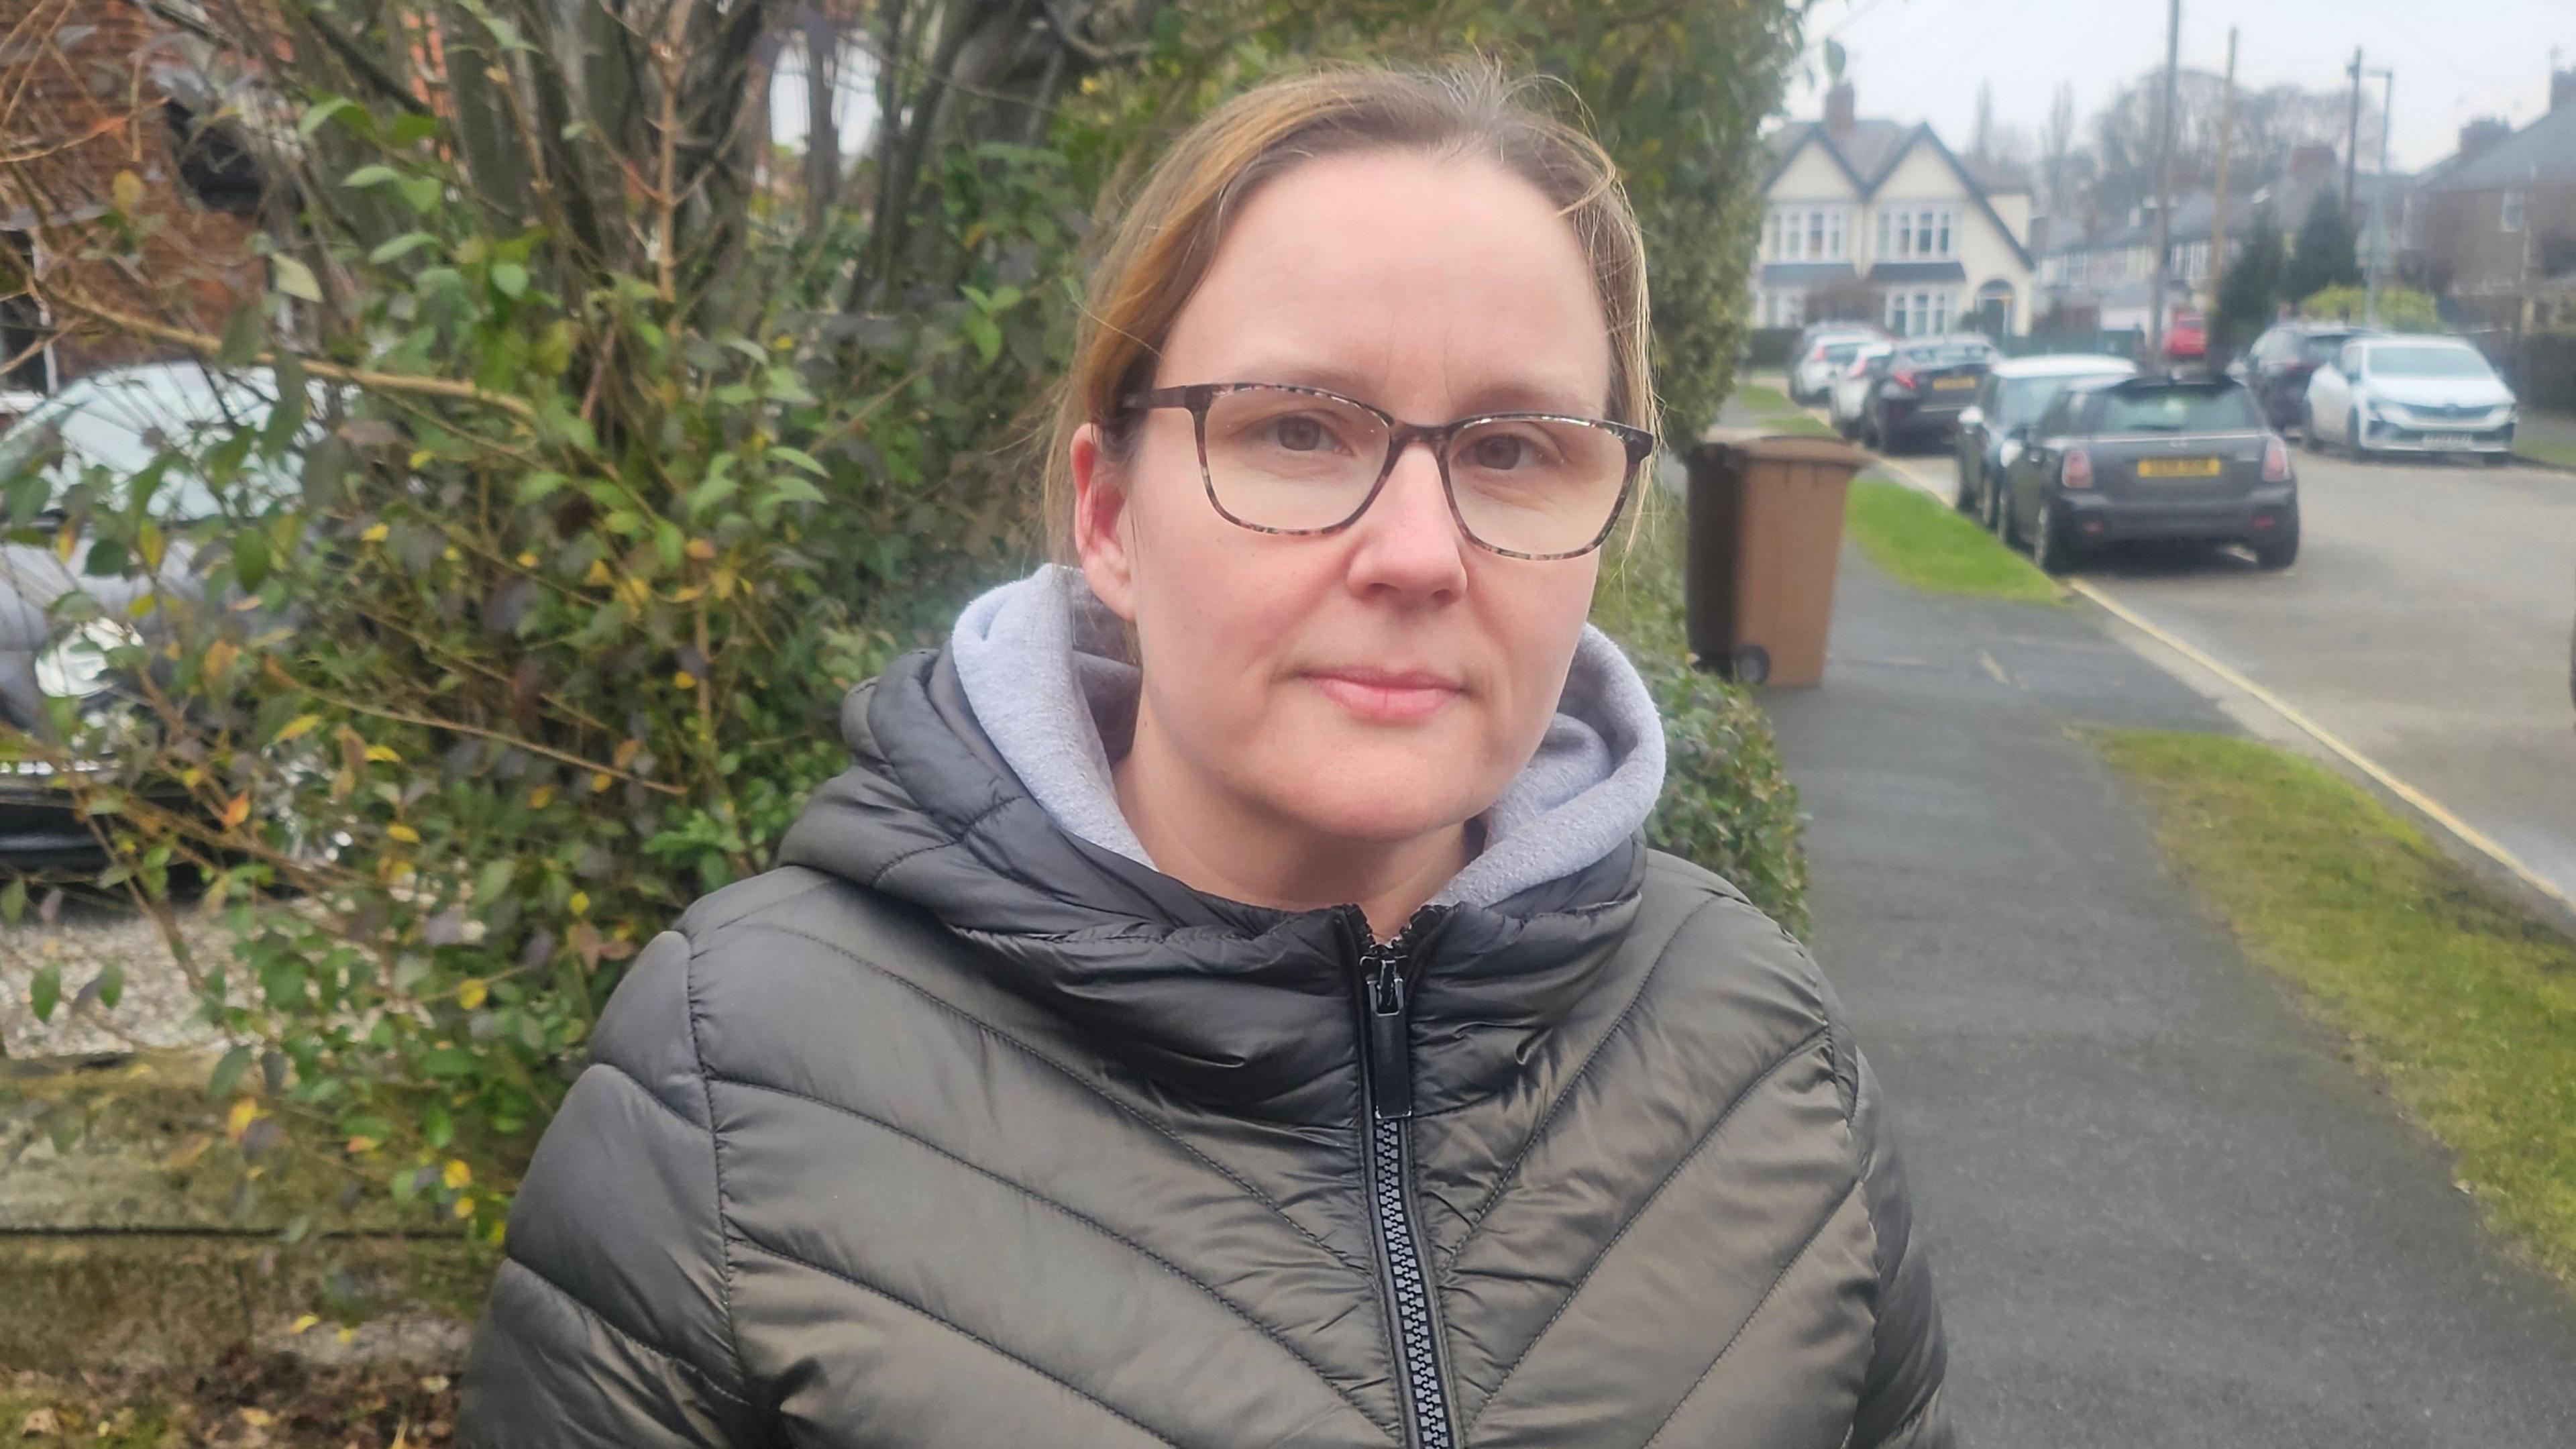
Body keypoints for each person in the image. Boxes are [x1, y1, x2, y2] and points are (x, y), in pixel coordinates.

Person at [460, 62, 1952, 1449]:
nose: (1420, 553)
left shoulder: (1765, 1051)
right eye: (1298, 429)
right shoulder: (735, 1080)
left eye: (1513, 447)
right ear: (1109, 517)